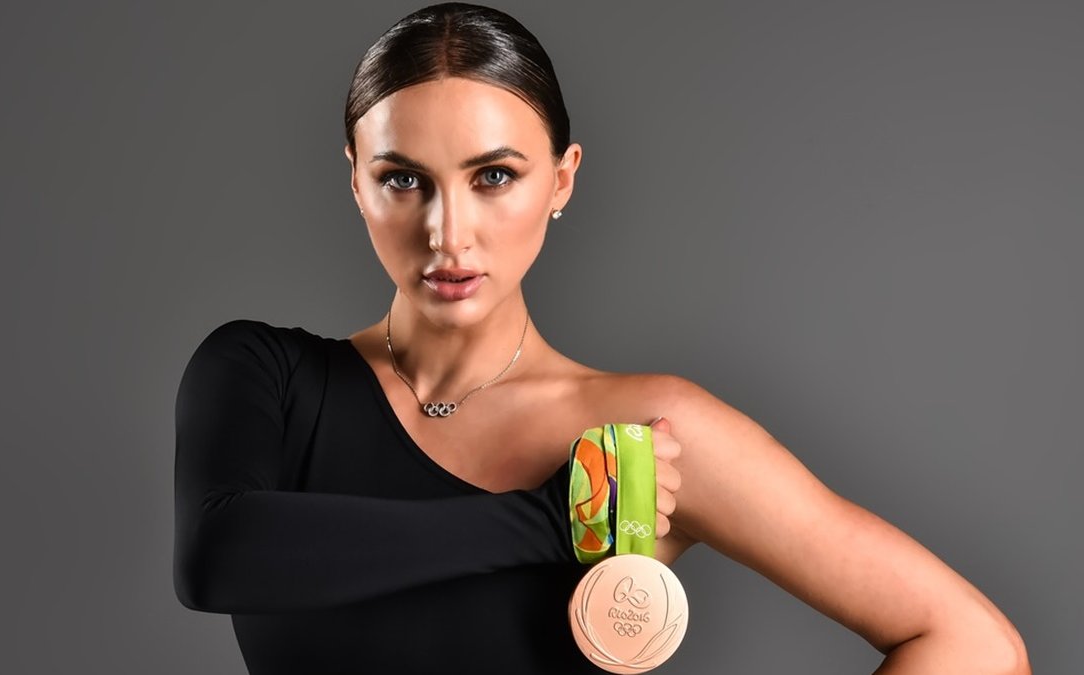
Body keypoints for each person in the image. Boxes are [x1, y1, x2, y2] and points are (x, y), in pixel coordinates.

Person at [173, 3, 1030, 673]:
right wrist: (542, 524)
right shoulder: (264, 376)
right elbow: (217, 558)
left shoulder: (645, 434)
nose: (448, 233)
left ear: (561, 181)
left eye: (494, 176)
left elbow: (974, 644)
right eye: (404, 179)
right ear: (357, 181)